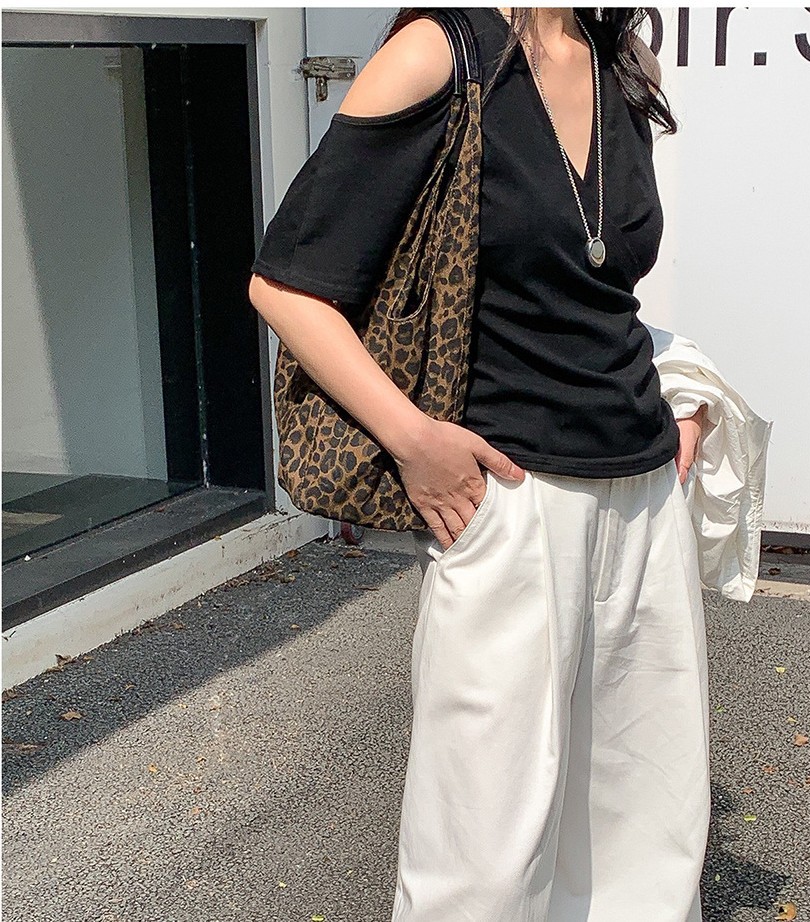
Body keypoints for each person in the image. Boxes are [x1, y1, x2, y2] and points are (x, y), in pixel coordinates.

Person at [248, 8, 710, 921]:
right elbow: (287, 284)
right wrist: (414, 440)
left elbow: (592, 289)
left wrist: (682, 393)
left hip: (646, 494)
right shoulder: (441, 52)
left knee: (642, 833)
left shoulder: (618, 60)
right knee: (482, 858)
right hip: (510, 496)